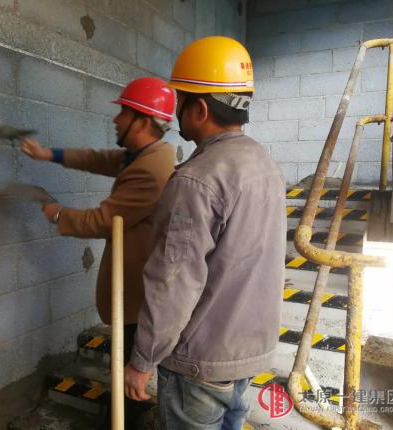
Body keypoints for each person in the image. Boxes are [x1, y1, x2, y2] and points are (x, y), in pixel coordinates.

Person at [124, 36, 287, 430]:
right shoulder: (262, 162)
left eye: (180, 99)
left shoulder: (196, 180)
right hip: (246, 354)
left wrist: (142, 360)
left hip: (200, 363)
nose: (174, 110)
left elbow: (173, 281)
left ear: (199, 109)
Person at [21, 77, 176, 427]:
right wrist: (49, 154)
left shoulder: (149, 170)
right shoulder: (150, 154)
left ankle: (128, 419)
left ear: (143, 122)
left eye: (124, 113)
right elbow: (102, 159)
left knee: (129, 371)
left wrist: (58, 214)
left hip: (136, 292)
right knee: (126, 367)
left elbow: (104, 221)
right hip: (137, 284)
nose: (116, 120)